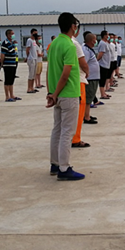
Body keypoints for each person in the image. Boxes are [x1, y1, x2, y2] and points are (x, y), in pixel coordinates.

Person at [46, 12, 85, 181]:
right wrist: (55, 93)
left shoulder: (54, 44)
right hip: (68, 94)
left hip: (57, 95)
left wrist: (51, 93)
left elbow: (49, 71)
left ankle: (55, 164)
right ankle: (64, 167)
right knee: (67, 132)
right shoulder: (69, 46)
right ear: (72, 26)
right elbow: (65, 74)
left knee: (57, 129)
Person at [71, 24, 90, 148]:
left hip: (65, 81)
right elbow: (83, 63)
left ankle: (67, 137)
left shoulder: (57, 43)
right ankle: (75, 139)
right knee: (78, 111)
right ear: (74, 28)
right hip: (77, 80)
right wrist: (87, 72)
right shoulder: (74, 43)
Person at [83, 32, 100, 125]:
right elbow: (83, 63)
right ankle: (86, 117)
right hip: (90, 78)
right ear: (91, 41)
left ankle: (87, 114)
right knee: (88, 98)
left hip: (93, 77)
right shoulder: (86, 50)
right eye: (95, 39)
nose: (96, 41)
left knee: (90, 97)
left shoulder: (89, 49)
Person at [1, 29, 20, 102]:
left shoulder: (12, 43)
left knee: (11, 80)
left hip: (13, 63)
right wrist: (2, 63)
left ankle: (12, 95)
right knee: (7, 80)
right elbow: (3, 54)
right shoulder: (5, 43)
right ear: (8, 35)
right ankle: (7, 96)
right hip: (7, 64)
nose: (13, 35)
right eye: (12, 34)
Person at [96, 30, 112, 100]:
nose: (108, 36)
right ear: (104, 36)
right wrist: (96, 61)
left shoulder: (105, 43)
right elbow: (100, 54)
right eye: (107, 35)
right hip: (103, 64)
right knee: (102, 80)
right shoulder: (102, 43)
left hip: (106, 64)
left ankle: (104, 93)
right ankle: (102, 94)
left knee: (105, 78)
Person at [26, 29, 38, 94]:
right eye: (34, 33)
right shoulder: (29, 40)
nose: (36, 34)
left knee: (34, 74)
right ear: (31, 33)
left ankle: (32, 87)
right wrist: (27, 57)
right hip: (31, 59)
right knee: (31, 74)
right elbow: (27, 49)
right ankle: (29, 88)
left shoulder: (34, 41)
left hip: (35, 58)